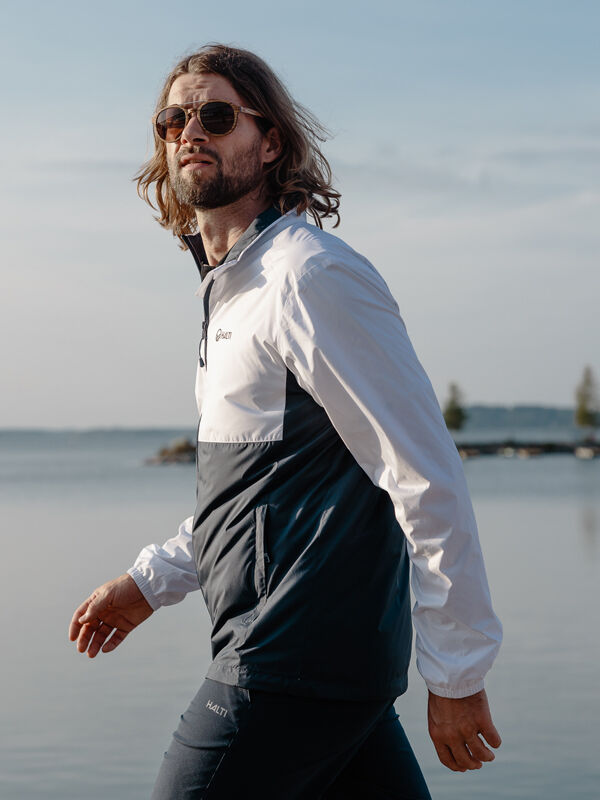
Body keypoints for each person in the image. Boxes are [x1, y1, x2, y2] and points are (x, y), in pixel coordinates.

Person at [69, 44, 503, 799]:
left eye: (215, 115)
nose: (189, 133)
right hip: (314, 669)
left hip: (287, 661)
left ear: (269, 142)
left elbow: (425, 475)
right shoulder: (232, 296)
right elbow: (246, 496)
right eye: (173, 119)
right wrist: (151, 580)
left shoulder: (310, 276)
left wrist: (457, 669)